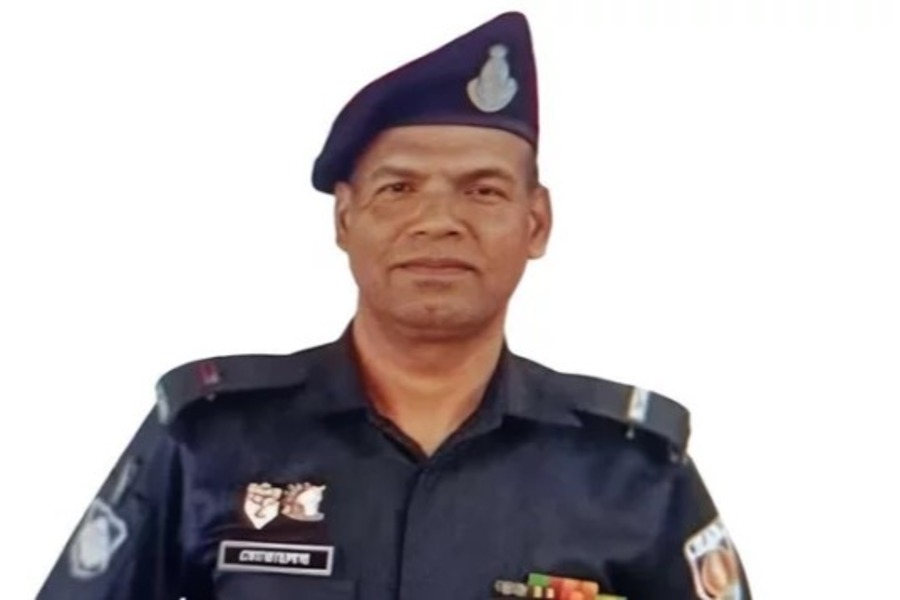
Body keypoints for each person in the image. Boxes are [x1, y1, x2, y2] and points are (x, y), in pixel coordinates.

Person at [38, 11, 751, 600]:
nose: (437, 222)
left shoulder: (630, 471)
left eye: (483, 191)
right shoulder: (210, 440)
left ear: (536, 224)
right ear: (345, 219)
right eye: (399, 189)